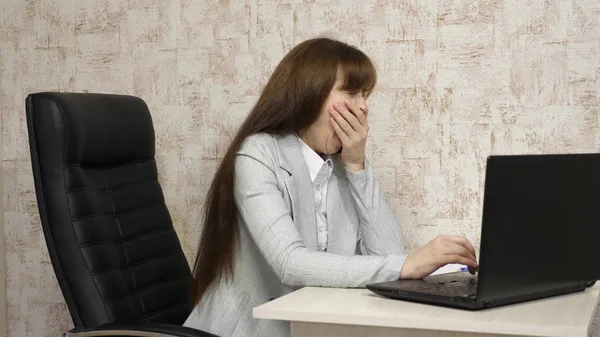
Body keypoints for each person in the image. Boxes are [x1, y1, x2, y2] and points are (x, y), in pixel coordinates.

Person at [183, 37, 478, 337]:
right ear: (309, 92)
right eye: (352, 92)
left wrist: (357, 167)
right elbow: (290, 263)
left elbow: (387, 254)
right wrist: (406, 265)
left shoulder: (341, 166)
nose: (363, 107)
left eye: (365, 95)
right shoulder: (258, 153)